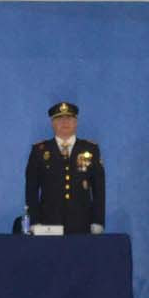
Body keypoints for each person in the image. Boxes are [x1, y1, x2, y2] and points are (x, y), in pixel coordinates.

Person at [25, 101, 105, 236]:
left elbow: (99, 189)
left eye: (69, 118)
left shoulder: (90, 149)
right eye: (59, 118)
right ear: (52, 123)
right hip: (48, 224)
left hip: (83, 224)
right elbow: (31, 190)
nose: (64, 122)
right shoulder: (39, 151)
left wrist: (98, 221)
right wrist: (34, 221)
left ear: (76, 122)